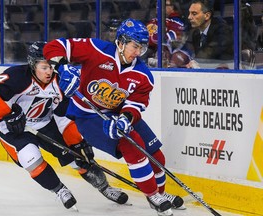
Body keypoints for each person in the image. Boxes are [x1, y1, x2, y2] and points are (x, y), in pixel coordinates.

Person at [43, 18, 186, 216]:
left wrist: (126, 118)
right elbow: (55, 46)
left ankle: (159, 195)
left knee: (156, 156)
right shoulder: (96, 49)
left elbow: (136, 105)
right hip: (88, 116)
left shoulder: (143, 75)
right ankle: (153, 195)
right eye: (134, 46)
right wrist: (62, 67)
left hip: (118, 114)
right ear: (120, 42)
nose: (137, 52)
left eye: (142, 48)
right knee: (131, 144)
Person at [0, 41, 128, 210]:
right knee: (30, 158)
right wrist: (7, 114)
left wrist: (76, 141)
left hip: (44, 124)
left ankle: (105, 187)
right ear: (33, 65)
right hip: (15, 131)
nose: (49, 71)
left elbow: (65, 114)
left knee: (79, 158)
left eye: (51, 66)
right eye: (44, 67)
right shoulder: (18, 76)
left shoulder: (60, 82)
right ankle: (59, 190)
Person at [145, 0, 199, 68]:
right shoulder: (153, 21)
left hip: (177, 53)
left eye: (165, 5)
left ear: (172, 7)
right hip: (155, 52)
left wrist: (153, 38)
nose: (158, 6)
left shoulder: (177, 22)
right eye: (156, 5)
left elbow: (167, 40)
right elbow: (145, 38)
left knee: (176, 56)